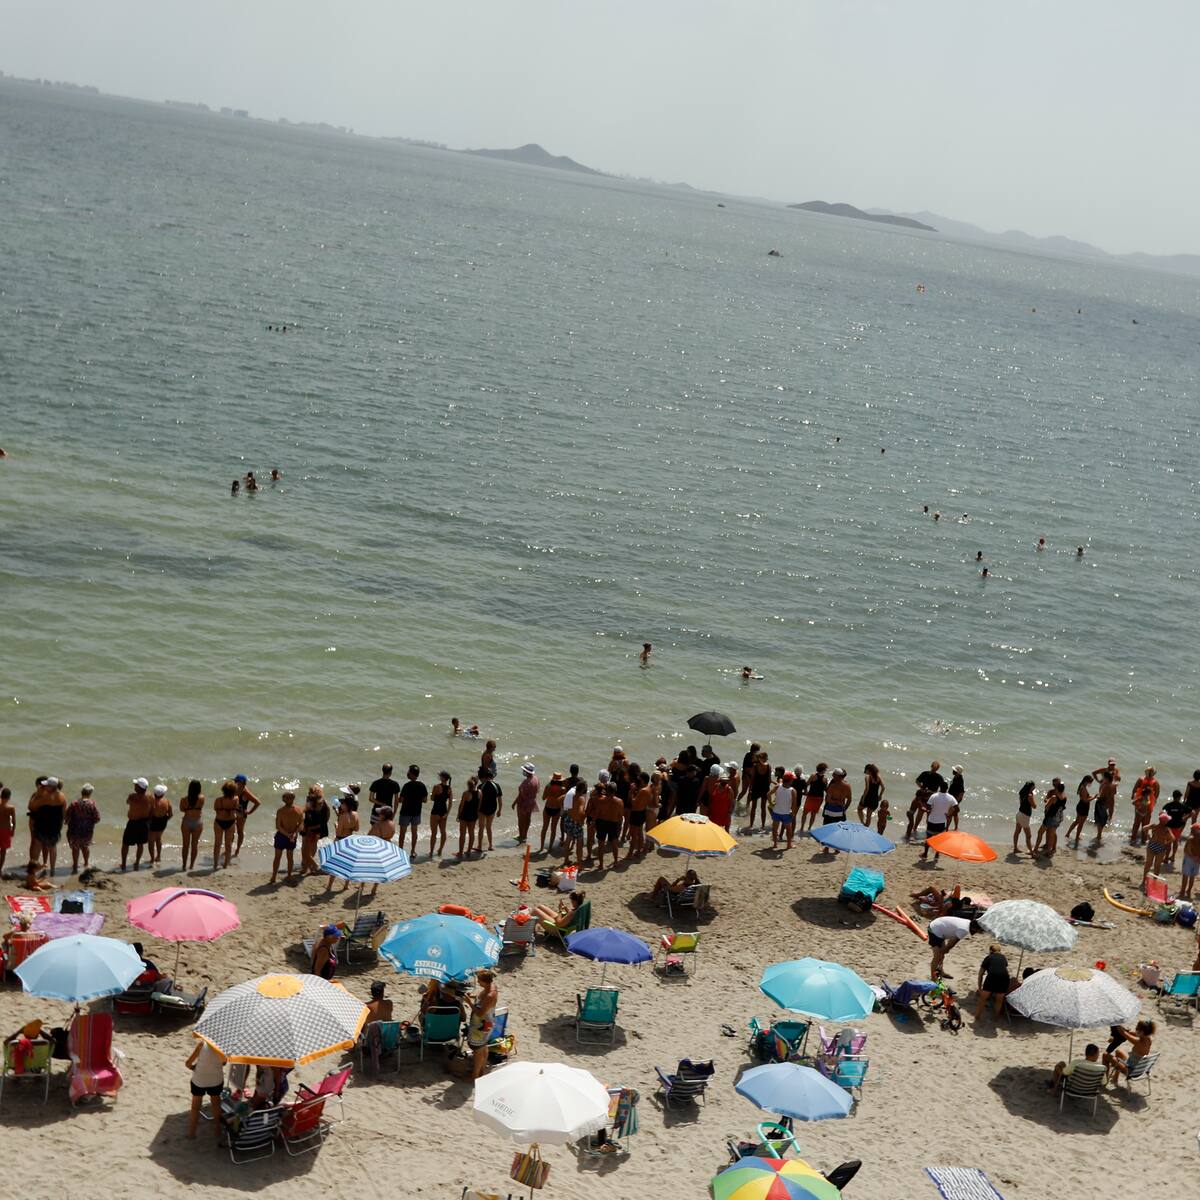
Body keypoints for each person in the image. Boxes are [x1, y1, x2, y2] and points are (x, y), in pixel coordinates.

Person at [186, 1039, 227, 1140]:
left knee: (195, 1107)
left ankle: (192, 1133)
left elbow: (188, 1063)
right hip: (216, 1080)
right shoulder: (223, 1047)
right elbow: (224, 1062)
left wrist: (193, 1068)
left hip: (199, 1080)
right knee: (216, 1104)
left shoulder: (201, 1045)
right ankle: (217, 1130)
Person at [29, 777, 66, 874]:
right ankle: (52, 869)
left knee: (37, 845)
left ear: (51, 787)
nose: (44, 786)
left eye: (47, 785)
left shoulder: (44, 797)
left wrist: (37, 794)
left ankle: (33, 869)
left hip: (42, 825)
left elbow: (31, 806)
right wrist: (60, 825)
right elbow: (63, 813)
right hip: (55, 827)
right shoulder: (62, 796)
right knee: (52, 848)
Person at [467, 970, 499, 1081]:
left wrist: (468, 1002)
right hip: (486, 1022)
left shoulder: (490, 995)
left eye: (480, 981)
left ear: (485, 982)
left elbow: (480, 1012)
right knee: (484, 1047)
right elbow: (483, 1000)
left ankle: (474, 1076)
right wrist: (473, 996)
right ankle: (481, 1071)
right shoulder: (491, 987)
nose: (478, 983)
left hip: (482, 1024)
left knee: (477, 1050)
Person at [928, 915, 981, 980]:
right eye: (978, 930)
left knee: (941, 955)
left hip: (939, 927)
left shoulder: (968, 922)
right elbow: (952, 942)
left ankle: (941, 972)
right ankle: (933, 978)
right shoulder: (964, 930)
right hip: (934, 930)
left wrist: (945, 950)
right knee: (937, 957)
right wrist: (946, 949)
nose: (978, 932)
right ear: (974, 928)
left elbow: (952, 941)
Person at [1103, 1019, 1155, 1084]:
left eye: (1137, 1028)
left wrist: (1116, 1022)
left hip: (1130, 1071)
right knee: (1118, 1051)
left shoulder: (1138, 1042)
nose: (1136, 1030)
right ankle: (1115, 1079)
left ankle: (1104, 1081)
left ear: (1142, 1032)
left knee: (1105, 1055)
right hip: (1138, 1069)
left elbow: (1123, 1033)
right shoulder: (1148, 1039)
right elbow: (1130, 1033)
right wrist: (1124, 1031)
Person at [65, 784, 100, 874]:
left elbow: (67, 815)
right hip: (87, 831)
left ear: (82, 792)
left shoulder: (74, 804)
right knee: (85, 847)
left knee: (75, 848)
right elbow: (97, 818)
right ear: (90, 793)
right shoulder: (92, 804)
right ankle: (86, 863)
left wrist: (67, 822)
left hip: (74, 829)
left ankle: (75, 866)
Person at [270, 792, 304, 883]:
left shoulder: (281, 811)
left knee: (277, 857)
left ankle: (274, 877)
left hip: (282, 835)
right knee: (290, 857)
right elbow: (301, 825)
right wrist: (293, 833)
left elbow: (278, 826)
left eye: (284, 797)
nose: (283, 799)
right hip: (292, 836)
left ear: (286, 799)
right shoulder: (299, 810)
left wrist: (287, 834)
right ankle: (289, 876)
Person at [920, 784, 957, 862]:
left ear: (940, 787)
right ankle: (936, 855)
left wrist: (927, 810)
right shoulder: (951, 798)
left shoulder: (934, 796)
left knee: (928, 838)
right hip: (942, 822)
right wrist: (949, 815)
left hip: (932, 820)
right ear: (947, 788)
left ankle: (925, 854)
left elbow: (928, 807)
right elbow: (957, 808)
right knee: (939, 840)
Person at [122, 777, 153, 871]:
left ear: (139, 787)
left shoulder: (132, 796)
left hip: (133, 823)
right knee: (140, 844)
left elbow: (127, 802)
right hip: (144, 823)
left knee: (125, 844)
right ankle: (137, 863)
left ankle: (123, 864)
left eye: (136, 785)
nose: (134, 786)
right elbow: (152, 810)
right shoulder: (150, 797)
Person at [396, 765, 428, 857]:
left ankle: (401, 850)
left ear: (411, 773)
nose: (407, 773)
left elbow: (401, 800)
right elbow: (425, 800)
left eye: (409, 771)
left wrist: (398, 799)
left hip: (405, 811)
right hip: (416, 812)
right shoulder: (422, 785)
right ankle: (413, 851)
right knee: (414, 832)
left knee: (402, 833)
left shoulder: (407, 786)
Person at [975, 944, 1011, 1019]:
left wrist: (979, 988)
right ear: (999, 951)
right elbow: (1006, 971)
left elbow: (980, 974)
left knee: (983, 998)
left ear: (990, 951)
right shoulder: (1003, 957)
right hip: (1004, 978)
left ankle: (977, 1016)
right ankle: (995, 1017)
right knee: (999, 1000)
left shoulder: (988, 958)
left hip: (992, 977)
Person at [300, 785, 330, 875]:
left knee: (305, 851)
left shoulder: (311, 802)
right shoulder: (324, 803)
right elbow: (327, 817)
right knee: (313, 846)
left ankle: (315, 866)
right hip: (319, 828)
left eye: (309, 792)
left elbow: (303, 811)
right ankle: (308, 867)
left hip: (309, 828)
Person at [1034, 779, 1067, 857]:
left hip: (1051, 816)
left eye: (1056, 785)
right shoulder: (1064, 796)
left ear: (1057, 787)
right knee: (1052, 833)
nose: (1054, 786)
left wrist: (1049, 800)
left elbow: (1047, 805)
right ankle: (1049, 850)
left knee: (1041, 832)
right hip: (1058, 817)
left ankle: (1036, 849)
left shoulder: (1054, 797)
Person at [594, 784, 623, 870]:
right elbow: (621, 815)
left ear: (606, 790)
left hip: (602, 822)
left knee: (601, 844)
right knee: (614, 843)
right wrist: (620, 825)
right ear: (615, 790)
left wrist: (594, 823)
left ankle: (601, 865)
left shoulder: (601, 800)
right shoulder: (619, 801)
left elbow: (597, 814)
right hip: (614, 823)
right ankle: (616, 862)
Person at [179, 780, 205, 871]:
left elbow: (181, 809)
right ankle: (191, 865)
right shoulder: (202, 798)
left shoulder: (184, 799)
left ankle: (184, 865)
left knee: (185, 845)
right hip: (198, 822)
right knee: (194, 845)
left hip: (186, 821)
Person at [232, 774, 261, 858]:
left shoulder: (245, 792)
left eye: (237, 781)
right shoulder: (233, 789)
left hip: (241, 814)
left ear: (242, 783)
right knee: (231, 831)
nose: (235, 783)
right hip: (233, 812)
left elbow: (257, 802)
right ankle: (229, 848)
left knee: (240, 832)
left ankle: (237, 849)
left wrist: (250, 812)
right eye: (235, 781)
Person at [212, 781, 238, 869]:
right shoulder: (236, 799)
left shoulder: (218, 800)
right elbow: (236, 810)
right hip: (230, 822)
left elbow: (216, 809)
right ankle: (225, 864)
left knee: (217, 844)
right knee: (228, 844)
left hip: (219, 821)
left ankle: (215, 864)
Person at [539, 772, 567, 854]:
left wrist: (549, 795)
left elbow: (543, 798)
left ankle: (541, 847)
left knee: (544, 828)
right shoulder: (563, 789)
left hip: (548, 807)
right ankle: (550, 848)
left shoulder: (548, 786)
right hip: (557, 809)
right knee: (553, 829)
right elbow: (563, 801)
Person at [626, 771, 653, 858]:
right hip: (642, 812)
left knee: (634, 835)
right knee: (640, 832)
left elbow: (634, 803)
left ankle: (630, 854)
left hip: (636, 813)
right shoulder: (649, 788)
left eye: (639, 779)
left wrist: (631, 792)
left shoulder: (642, 791)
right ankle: (639, 850)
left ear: (642, 780)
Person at [1130, 767, 1159, 845]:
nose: (1149, 774)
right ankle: (1133, 838)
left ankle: (1143, 839)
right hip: (1140, 801)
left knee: (1145, 823)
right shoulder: (1141, 779)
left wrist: (1154, 802)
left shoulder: (1155, 782)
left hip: (1149, 803)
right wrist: (1133, 795)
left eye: (1151, 772)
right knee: (1137, 823)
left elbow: (1156, 794)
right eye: (1149, 772)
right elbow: (1135, 788)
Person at [513, 762, 539, 844]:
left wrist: (514, 803)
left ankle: (521, 836)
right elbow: (537, 791)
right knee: (528, 818)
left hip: (523, 803)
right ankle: (525, 835)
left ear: (527, 772)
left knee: (521, 820)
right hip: (532, 802)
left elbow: (521, 795)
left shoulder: (526, 783)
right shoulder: (536, 779)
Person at [559, 783, 586, 864]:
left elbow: (559, 799)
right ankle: (579, 863)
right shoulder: (581, 799)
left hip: (569, 819)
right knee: (579, 843)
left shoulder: (570, 796)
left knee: (568, 839)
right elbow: (581, 812)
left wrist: (565, 809)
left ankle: (566, 860)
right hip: (576, 822)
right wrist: (583, 817)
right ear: (582, 790)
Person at [771, 771, 798, 850]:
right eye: (792, 779)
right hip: (786, 813)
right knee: (789, 830)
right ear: (790, 780)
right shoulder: (792, 790)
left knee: (775, 829)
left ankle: (775, 844)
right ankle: (789, 844)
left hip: (776, 811)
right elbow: (794, 804)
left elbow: (768, 794)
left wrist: (771, 804)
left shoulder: (777, 786)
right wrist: (793, 813)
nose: (793, 781)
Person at [1142, 813, 1173, 882]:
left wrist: (1148, 836)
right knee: (1157, 865)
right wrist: (1166, 842)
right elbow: (1172, 838)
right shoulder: (1166, 829)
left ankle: (1144, 880)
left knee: (1148, 864)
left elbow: (1144, 828)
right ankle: (1154, 880)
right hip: (1161, 846)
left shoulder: (1154, 825)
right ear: (1164, 821)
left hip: (1152, 845)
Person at [428, 771, 452, 857]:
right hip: (444, 811)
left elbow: (432, 798)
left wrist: (434, 795)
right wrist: (447, 814)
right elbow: (450, 803)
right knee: (443, 832)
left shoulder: (436, 786)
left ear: (442, 778)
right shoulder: (449, 789)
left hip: (435, 811)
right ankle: (440, 850)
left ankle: (431, 851)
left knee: (434, 833)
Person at [147, 784, 172, 866]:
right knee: (159, 838)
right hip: (162, 822)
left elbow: (149, 813)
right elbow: (170, 814)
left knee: (151, 841)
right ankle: (158, 856)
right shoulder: (167, 801)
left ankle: (152, 859)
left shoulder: (151, 802)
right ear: (163, 794)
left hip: (154, 821)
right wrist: (165, 820)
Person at [1066, 774, 1094, 846]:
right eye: (1090, 782)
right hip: (1083, 807)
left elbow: (1083, 797)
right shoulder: (1083, 788)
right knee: (1080, 823)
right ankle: (1077, 837)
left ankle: (1068, 833)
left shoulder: (1081, 786)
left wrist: (1090, 796)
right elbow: (1085, 800)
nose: (1090, 784)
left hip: (1081, 806)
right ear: (1087, 781)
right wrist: (1094, 797)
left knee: (1077, 821)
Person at [456, 778, 480, 858]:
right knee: (471, 833)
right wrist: (477, 815)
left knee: (462, 834)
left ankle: (460, 852)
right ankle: (469, 851)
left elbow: (461, 806)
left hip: (464, 816)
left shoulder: (466, 793)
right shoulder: (479, 792)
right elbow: (479, 805)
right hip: (473, 816)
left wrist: (458, 815)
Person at [800, 764, 827, 837]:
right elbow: (826, 789)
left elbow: (806, 785)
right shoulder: (825, 778)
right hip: (819, 798)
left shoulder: (813, 776)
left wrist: (805, 792)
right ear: (823, 770)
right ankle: (809, 828)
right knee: (813, 814)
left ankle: (802, 827)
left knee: (805, 812)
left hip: (811, 796)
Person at [478, 770, 501, 852]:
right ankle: (490, 845)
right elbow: (499, 799)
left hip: (482, 809)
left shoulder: (481, 786)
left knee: (481, 828)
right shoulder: (497, 786)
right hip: (492, 809)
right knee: (489, 827)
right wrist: (499, 810)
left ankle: (480, 846)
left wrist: (477, 810)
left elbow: (479, 800)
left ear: (485, 777)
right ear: (492, 777)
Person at [1012, 781, 1036, 855]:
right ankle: (1031, 852)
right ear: (1031, 787)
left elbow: (1021, 803)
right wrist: (1032, 796)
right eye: (1033, 786)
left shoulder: (1022, 794)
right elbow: (1034, 806)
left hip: (1019, 814)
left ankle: (1015, 848)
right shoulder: (1029, 795)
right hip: (1024, 816)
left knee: (1017, 832)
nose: (1034, 787)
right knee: (1028, 835)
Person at [1179, 823, 1200, 902]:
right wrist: (1198, 858)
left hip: (1189, 859)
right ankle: (1188, 891)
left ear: (1193, 830)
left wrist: (1192, 857)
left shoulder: (1191, 838)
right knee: (1192, 876)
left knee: (1185, 875)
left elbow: (1186, 851)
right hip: (1197, 860)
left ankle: (1182, 891)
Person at [1094, 770, 1116, 841]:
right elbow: (1113, 794)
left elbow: (1101, 796)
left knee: (1098, 820)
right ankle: (1099, 835)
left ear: (1106, 778)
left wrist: (1095, 796)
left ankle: (1099, 835)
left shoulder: (1105, 786)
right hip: (1107, 804)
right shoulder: (1113, 786)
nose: (1103, 779)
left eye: (1104, 778)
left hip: (1101, 804)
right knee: (1103, 819)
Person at [0, 786, 14, 874]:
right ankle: (0, 868)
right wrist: (13, 830)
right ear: (9, 797)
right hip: (5, 830)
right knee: (3, 850)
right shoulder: (11, 808)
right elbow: (14, 821)